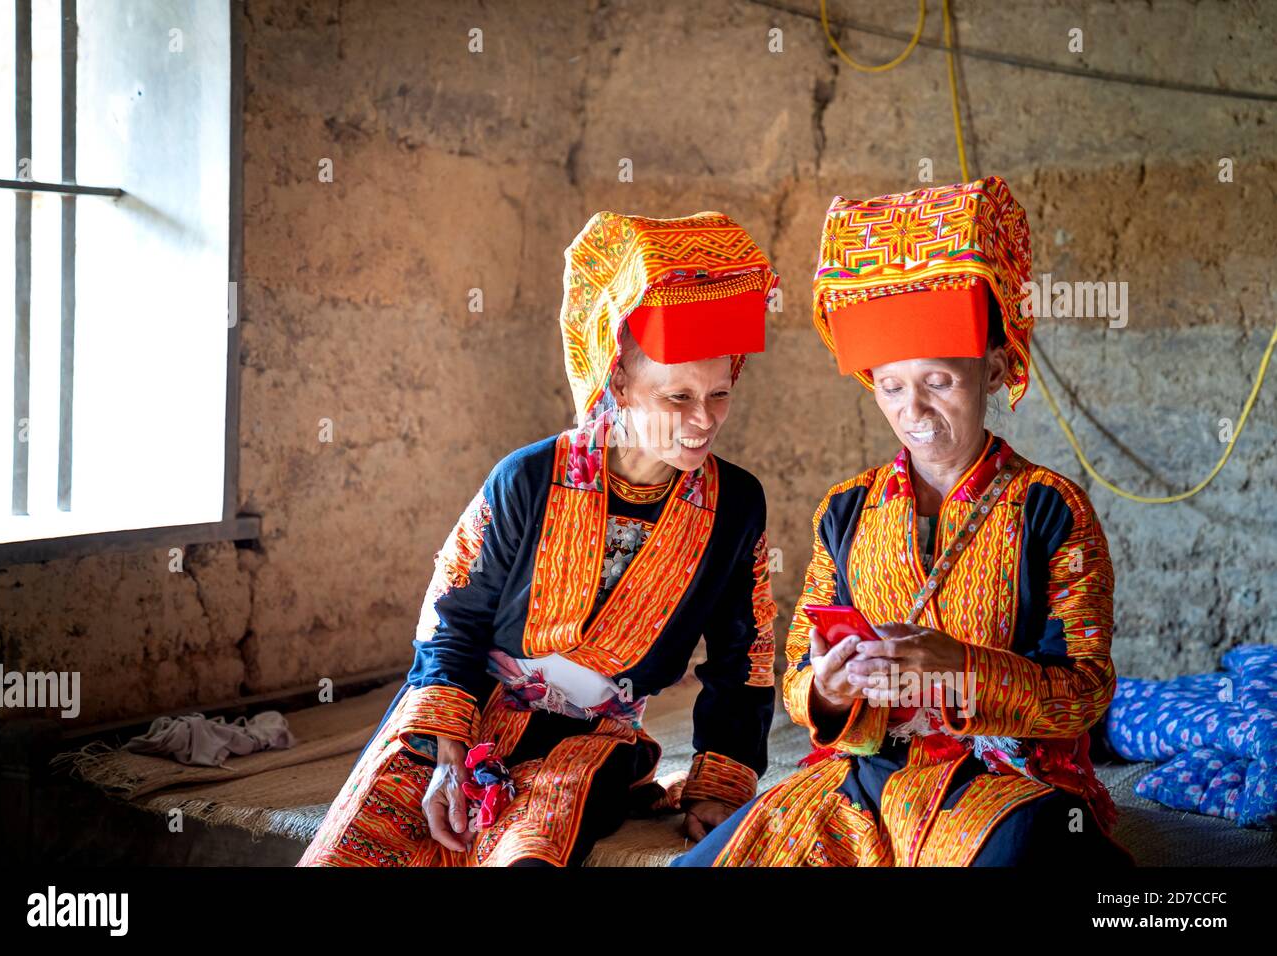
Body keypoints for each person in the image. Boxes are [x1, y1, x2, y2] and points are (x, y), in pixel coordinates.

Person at [674, 177, 1133, 866]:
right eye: (891, 386)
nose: (913, 411)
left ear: (997, 369)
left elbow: (1086, 693)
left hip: (1004, 781)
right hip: (863, 773)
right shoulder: (848, 509)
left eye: (939, 382)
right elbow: (799, 671)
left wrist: (963, 669)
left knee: (1029, 851)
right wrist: (828, 687)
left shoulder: (1049, 509)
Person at [300, 211, 780, 866]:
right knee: (363, 850)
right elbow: (454, 619)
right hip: (462, 716)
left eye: (719, 394)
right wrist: (446, 757)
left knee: (528, 853)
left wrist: (717, 787)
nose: (703, 422)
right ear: (619, 384)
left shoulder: (735, 505)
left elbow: (742, 655)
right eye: (677, 398)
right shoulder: (529, 478)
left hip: (590, 739)